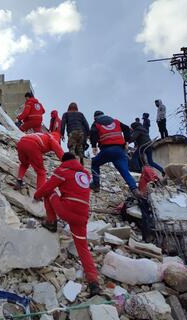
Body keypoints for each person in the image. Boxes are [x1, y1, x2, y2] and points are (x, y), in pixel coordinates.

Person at [34, 152, 100, 296]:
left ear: (63, 161)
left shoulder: (62, 171)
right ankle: (94, 282)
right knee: (82, 248)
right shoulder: (85, 175)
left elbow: (46, 187)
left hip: (66, 210)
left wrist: (36, 196)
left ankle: (51, 222)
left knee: (49, 192)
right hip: (82, 216)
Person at [89, 110, 140, 197]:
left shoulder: (96, 123)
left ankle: (96, 185)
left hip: (106, 151)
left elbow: (93, 133)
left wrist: (94, 146)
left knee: (94, 163)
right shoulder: (115, 121)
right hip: (120, 151)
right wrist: (127, 141)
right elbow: (127, 128)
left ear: (95, 117)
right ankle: (134, 189)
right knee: (125, 172)